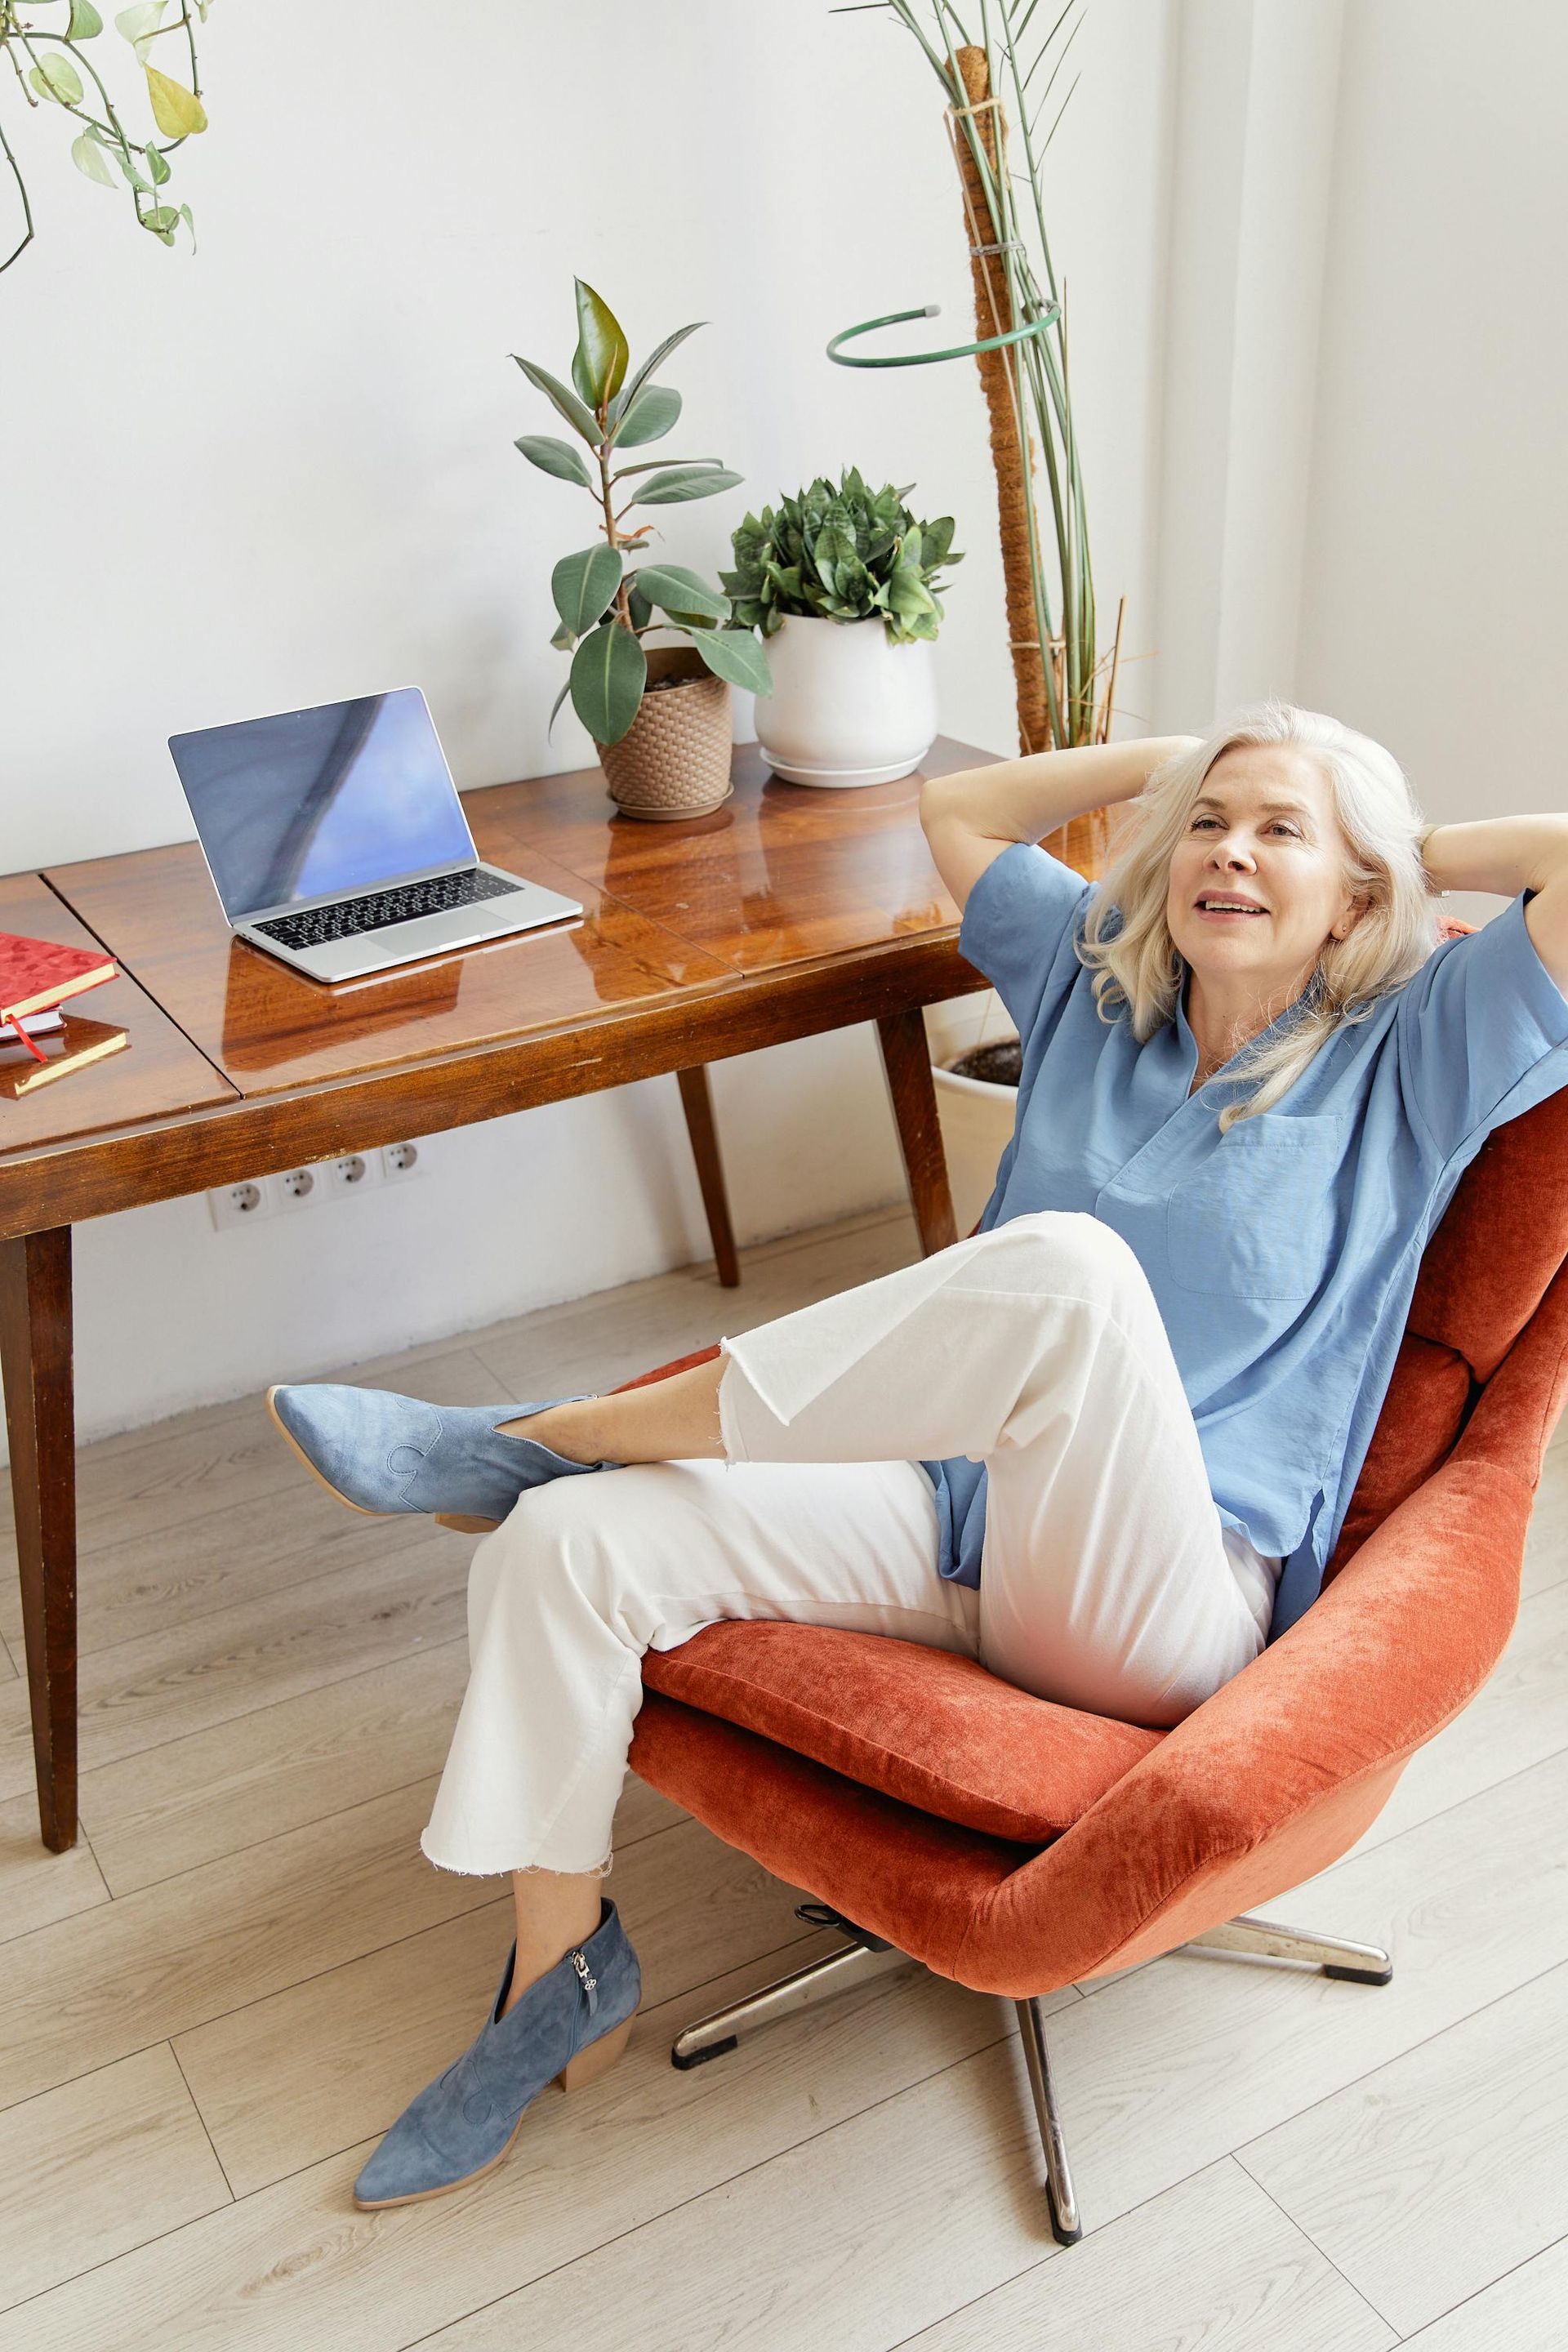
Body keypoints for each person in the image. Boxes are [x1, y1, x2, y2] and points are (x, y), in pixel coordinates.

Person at [265, 700, 1568, 2211]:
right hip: (959, 1521)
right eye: (1211, 826)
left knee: (1073, 1273)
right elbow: (957, 821)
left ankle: (544, 1439)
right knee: (575, 1554)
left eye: (1282, 833)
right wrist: (1176, 771)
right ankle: (556, 1980)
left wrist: (1390, 839)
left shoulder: (1413, 1047)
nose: (1230, 851)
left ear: (1357, 901)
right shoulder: (1098, 987)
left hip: (1164, 1600)